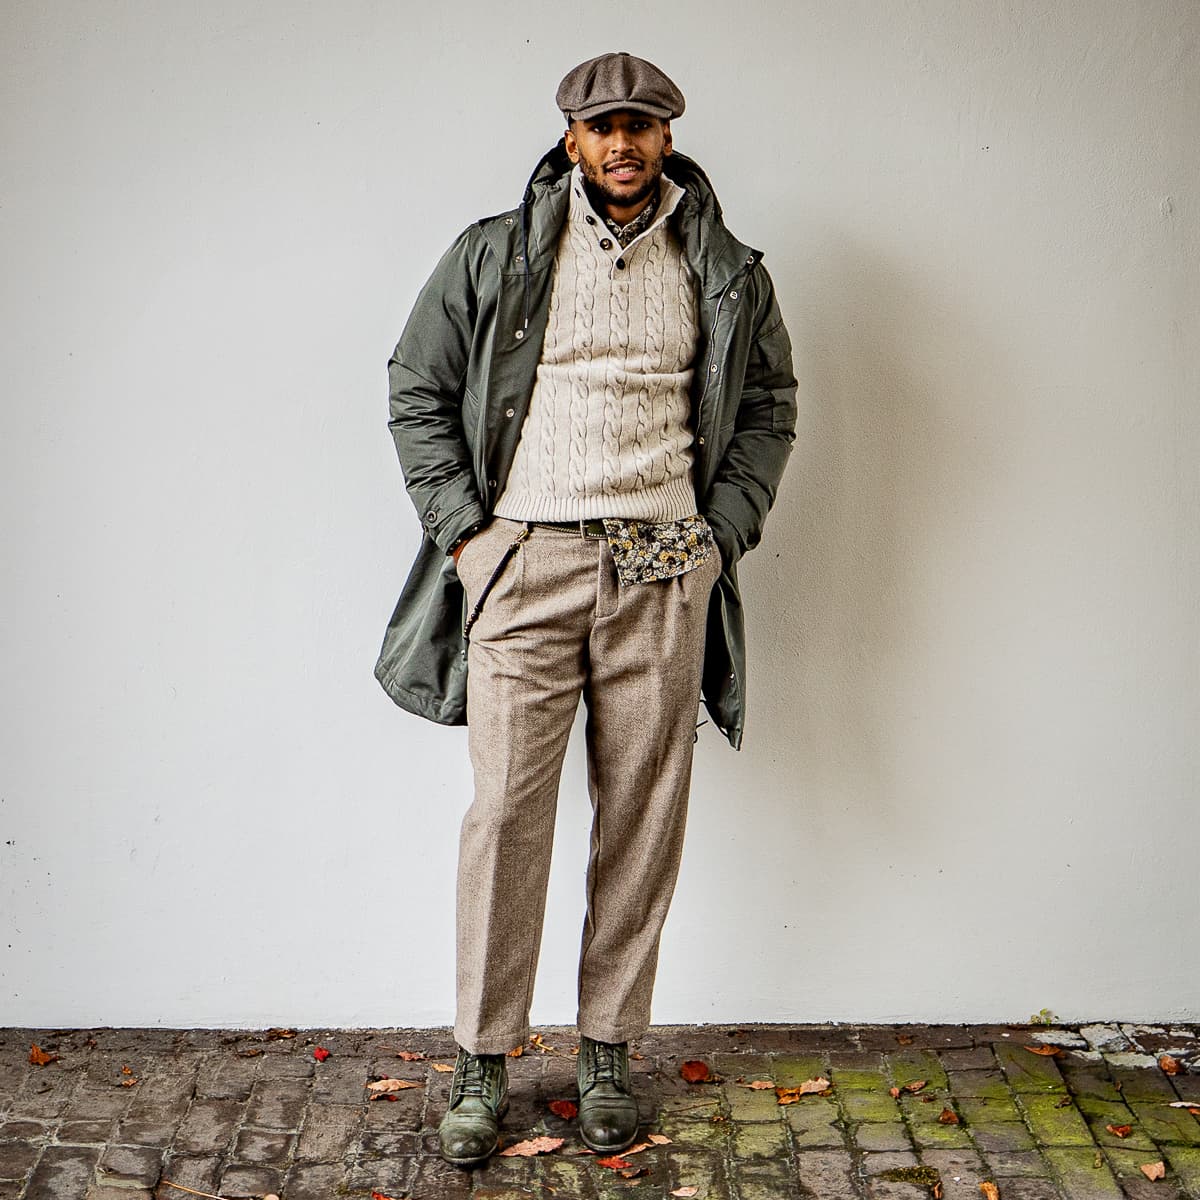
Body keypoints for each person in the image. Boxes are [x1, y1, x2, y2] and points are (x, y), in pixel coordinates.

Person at [375, 51, 797, 1168]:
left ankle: (607, 1048)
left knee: (643, 812)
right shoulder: (495, 252)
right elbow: (416, 388)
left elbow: (768, 403)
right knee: (506, 813)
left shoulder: (724, 267)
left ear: (667, 138)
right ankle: (483, 1058)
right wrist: (467, 536)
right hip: (526, 559)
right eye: (602, 125)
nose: (622, 142)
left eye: (640, 125)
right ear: (571, 138)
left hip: (664, 560)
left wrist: (720, 536)